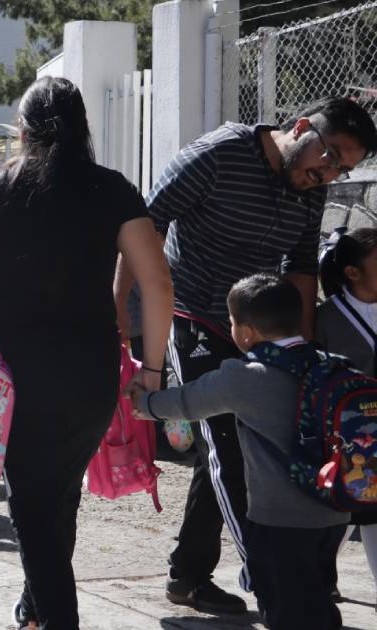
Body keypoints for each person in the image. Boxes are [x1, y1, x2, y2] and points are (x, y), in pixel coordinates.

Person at [113, 95, 377, 615]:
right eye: (329, 157)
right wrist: (121, 317)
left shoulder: (308, 188)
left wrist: (307, 354)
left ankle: (188, 576)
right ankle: (271, 579)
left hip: (266, 332)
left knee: (250, 447)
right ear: (301, 128)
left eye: (343, 169)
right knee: (228, 447)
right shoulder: (220, 153)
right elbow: (143, 226)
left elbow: (302, 267)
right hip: (194, 315)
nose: (329, 174)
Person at [0, 76, 173, 629]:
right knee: (57, 493)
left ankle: (54, 618)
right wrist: (152, 369)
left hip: (12, 375)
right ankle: (32, 608)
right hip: (92, 372)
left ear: (21, 130)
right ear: (82, 127)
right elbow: (159, 284)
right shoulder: (113, 188)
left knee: (32, 506)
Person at [131, 273, 349, 630]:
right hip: (334, 515)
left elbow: (186, 402)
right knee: (318, 598)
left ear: (245, 332)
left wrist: (144, 403)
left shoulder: (244, 377)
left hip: (279, 522)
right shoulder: (332, 365)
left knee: (285, 610)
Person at [314, 227, 377, 602]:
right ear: (352, 272)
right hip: (343, 437)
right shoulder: (323, 318)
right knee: (337, 514)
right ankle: (312, 583)